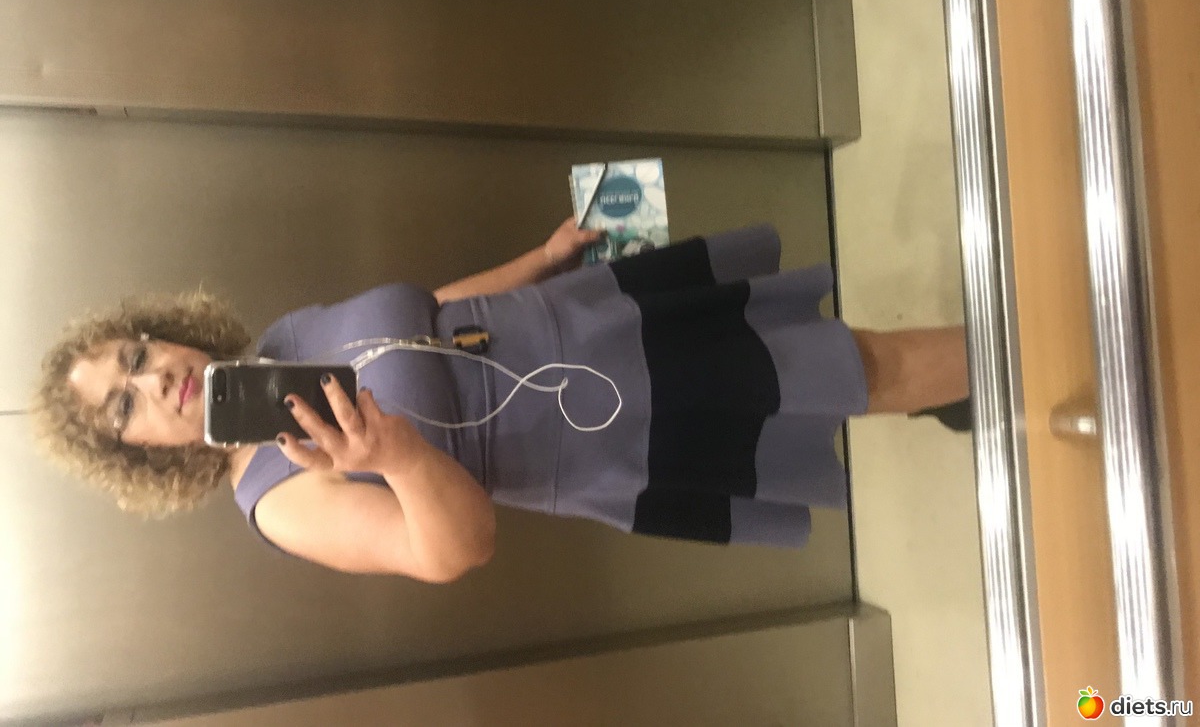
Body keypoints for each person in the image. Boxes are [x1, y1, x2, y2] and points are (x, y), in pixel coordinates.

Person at [32, 219, 970, 584]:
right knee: (839, 365)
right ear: (141, 452)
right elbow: (455, 552)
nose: (151, 379)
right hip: (598, 419)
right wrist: (396, 459)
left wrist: (543, 259)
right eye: (124, 407)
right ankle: (1014, 354)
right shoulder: (277, 499)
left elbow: (425, 317)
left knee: (794, 348)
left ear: (163, 332)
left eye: (135, 355)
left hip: (578, 318)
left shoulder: (276, 344)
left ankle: (950, 388)